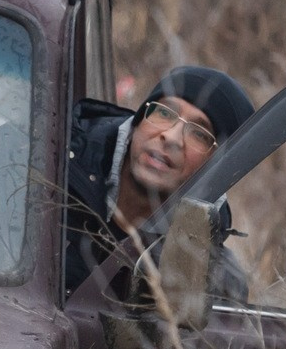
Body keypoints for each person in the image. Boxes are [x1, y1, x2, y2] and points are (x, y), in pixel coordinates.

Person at [63, 64, 255, 294]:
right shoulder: (54, 161)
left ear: (216, 168)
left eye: (199, 133)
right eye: (164, 113)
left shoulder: (208, 277)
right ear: (138, 121)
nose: (171, 137)